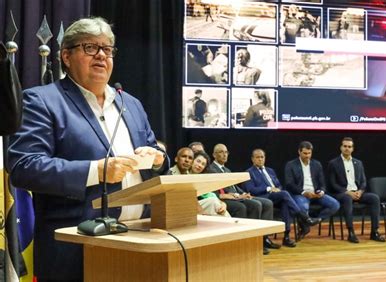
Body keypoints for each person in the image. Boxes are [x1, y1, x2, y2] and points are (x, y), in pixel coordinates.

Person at [7, 17, 167, 281]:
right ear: (66, 56)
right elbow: (25, 167)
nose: (101, 56)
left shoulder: (131, 103)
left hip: (142, 240)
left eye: (107, 49)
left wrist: (157, 158)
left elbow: (152, 148)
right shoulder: (43, 101)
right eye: (90, 47)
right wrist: (97, 170)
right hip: (77, 248)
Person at [242, 149, 319, 247]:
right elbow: (251, 189)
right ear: (252, 159)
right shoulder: (249, 172)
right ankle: (304, 217)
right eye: (257, 157)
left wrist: (278, 189)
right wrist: (269, 188)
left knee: (285, 203)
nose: (260, 159)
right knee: (285, 194)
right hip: (262, 197)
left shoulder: (270, 171)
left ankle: (286, 237)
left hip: (276, 196)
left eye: (262, 157)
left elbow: (279, 185)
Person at [208, 143, 276, 255]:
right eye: (221, 152)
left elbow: (234, 186)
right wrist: (237, 196)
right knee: (254, 205)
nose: (224, 155)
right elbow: (219, 190)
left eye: (226, 152)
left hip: (237, 196)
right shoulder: (211, 169)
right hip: (225, 199)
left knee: (267, 203)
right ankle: (248, 241)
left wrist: (244, 193)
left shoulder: (227, 169)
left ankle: (263, 239)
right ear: (214, 155)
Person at [327, 137, 385, 243]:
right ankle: (351, 232)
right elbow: (332, 184)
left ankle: (374, 232)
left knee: (374, 198)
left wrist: (361, 191)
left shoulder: (358, 163)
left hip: (357, 192)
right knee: (347, 198)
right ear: (341, 147)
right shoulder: (333, 163)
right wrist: (347, 192)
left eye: (349, 147)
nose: (347, 149)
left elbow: (363, 181)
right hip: (342, 193)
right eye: (345, 146)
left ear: (352, 149)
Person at [284, 141, 340, 239]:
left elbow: (322, 183)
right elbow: (289, 184)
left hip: (315, 193)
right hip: (300, 193)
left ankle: (314, 220)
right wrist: (304, 192)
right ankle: (306, 225)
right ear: (299, 152)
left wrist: (321, 191)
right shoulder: (291, 165)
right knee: (302, 207)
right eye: (305, 153)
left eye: (309, 153)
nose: (307, 156)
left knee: (335, 204)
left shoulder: (316, 164)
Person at [191, 151, 230, 217]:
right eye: (198, 161)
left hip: (208, 205)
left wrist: (223, 204)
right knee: (212, 202)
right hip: (192, 206)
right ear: (192, 160)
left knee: (218, 205)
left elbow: (212, 195)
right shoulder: (185, 174)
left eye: (203, 164)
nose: (200, 165)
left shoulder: (202, 179)